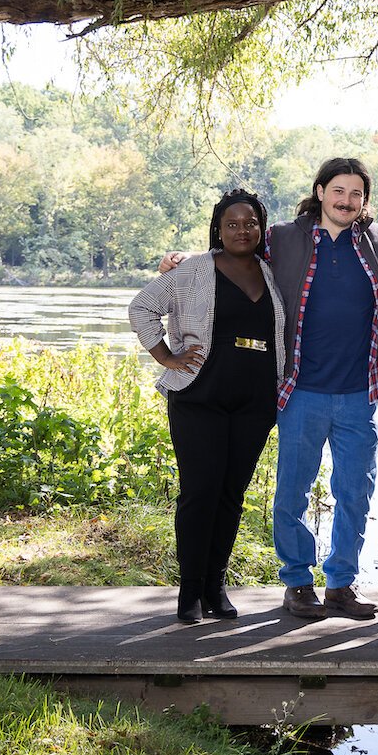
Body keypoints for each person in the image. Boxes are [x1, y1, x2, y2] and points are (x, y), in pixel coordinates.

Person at [129, 189, 285, 624]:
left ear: (261, 228)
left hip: (255, 402)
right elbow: (142, 307)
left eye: (250, 223)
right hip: (200, 398)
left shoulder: (271, 273)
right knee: (200, 494)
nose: (242, 230)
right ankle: (190, 593)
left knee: (232, 496)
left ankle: (217, 588)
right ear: (218, 228)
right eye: (232, 223)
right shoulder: (193, 270)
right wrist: (166, 357)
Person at [265, 157, 378, 620]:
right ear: (321, 191)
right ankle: (298, 581)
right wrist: (183, 261)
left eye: (356, 193)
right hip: (301, 390)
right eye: (338, 191)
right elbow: (232, 257)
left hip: (360, 393)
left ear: (365, 199)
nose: (347, 201)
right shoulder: (283, 237)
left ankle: (341, 583)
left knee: (356, 492)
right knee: (292, 492)